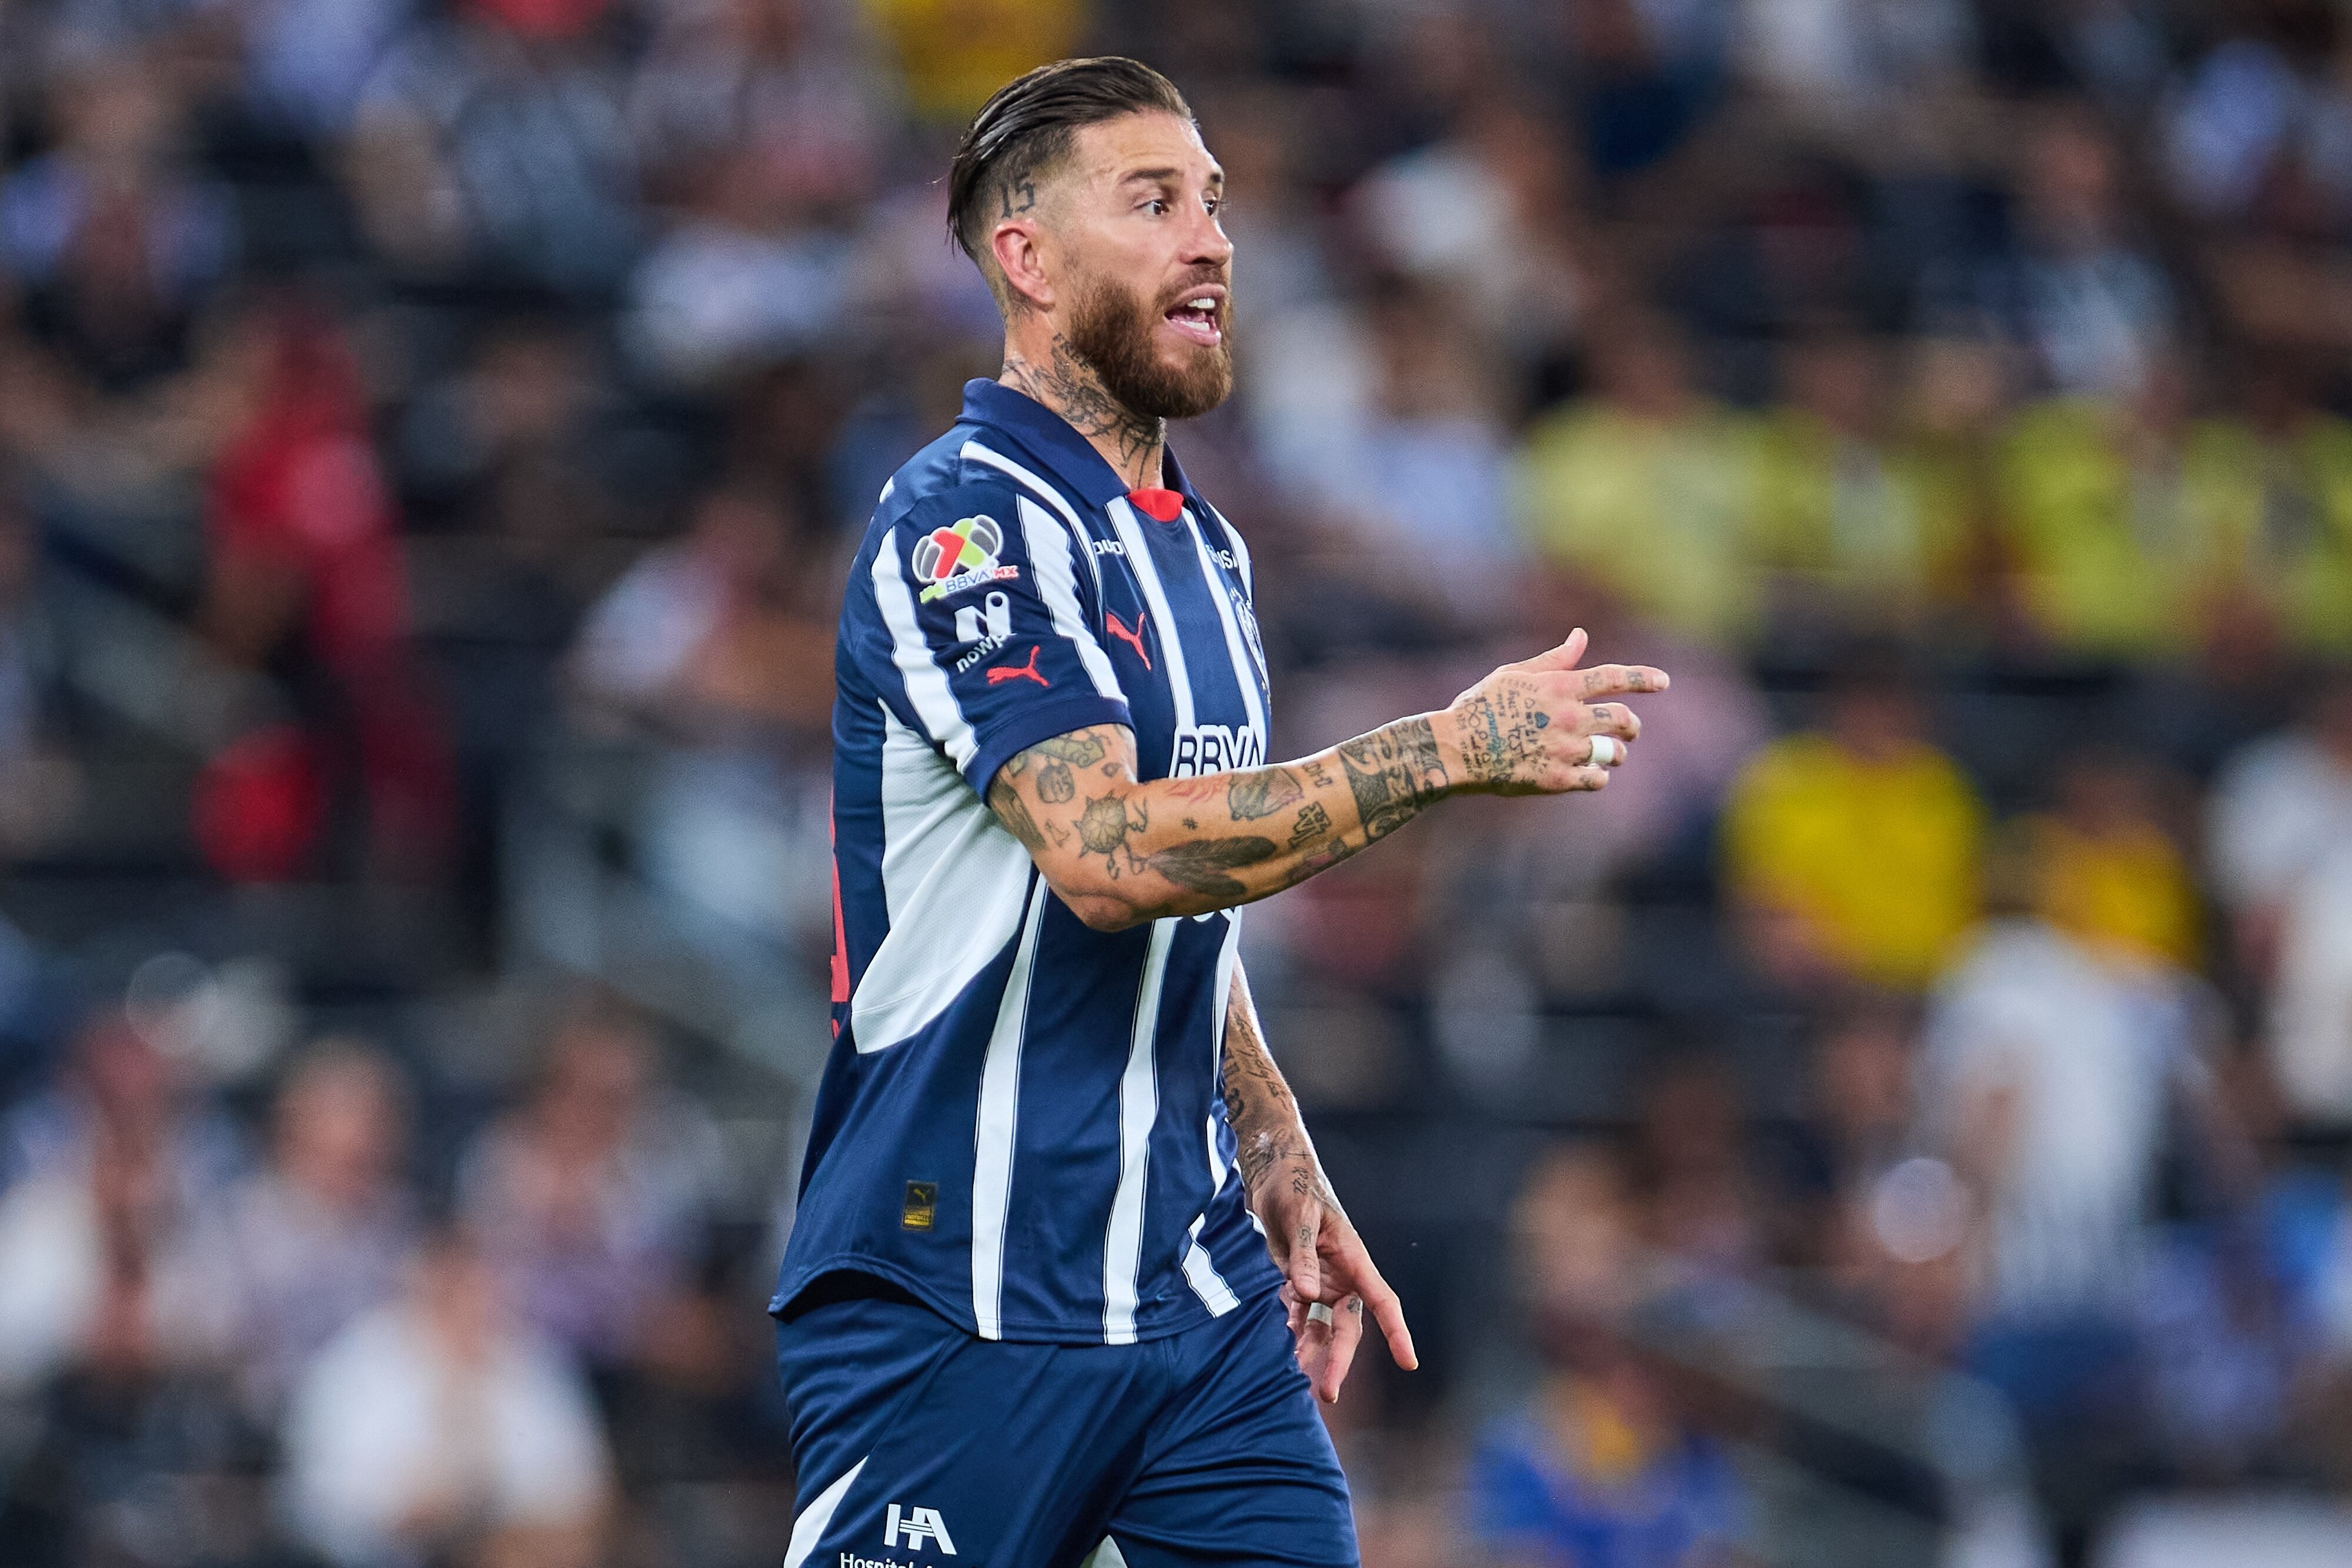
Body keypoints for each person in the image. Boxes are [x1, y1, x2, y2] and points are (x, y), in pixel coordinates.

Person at [771, 57, 1669, 1568]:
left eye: (1213, 203)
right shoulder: (964, 522)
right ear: (1026, 258)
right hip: (962, 1286)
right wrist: (1438, 750)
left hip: (1190, 1297)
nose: (1210, 240)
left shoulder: (1210, 552)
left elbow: (1194, 878)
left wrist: (1264, 1120)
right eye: (1152, 203)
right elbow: (1106, 853)